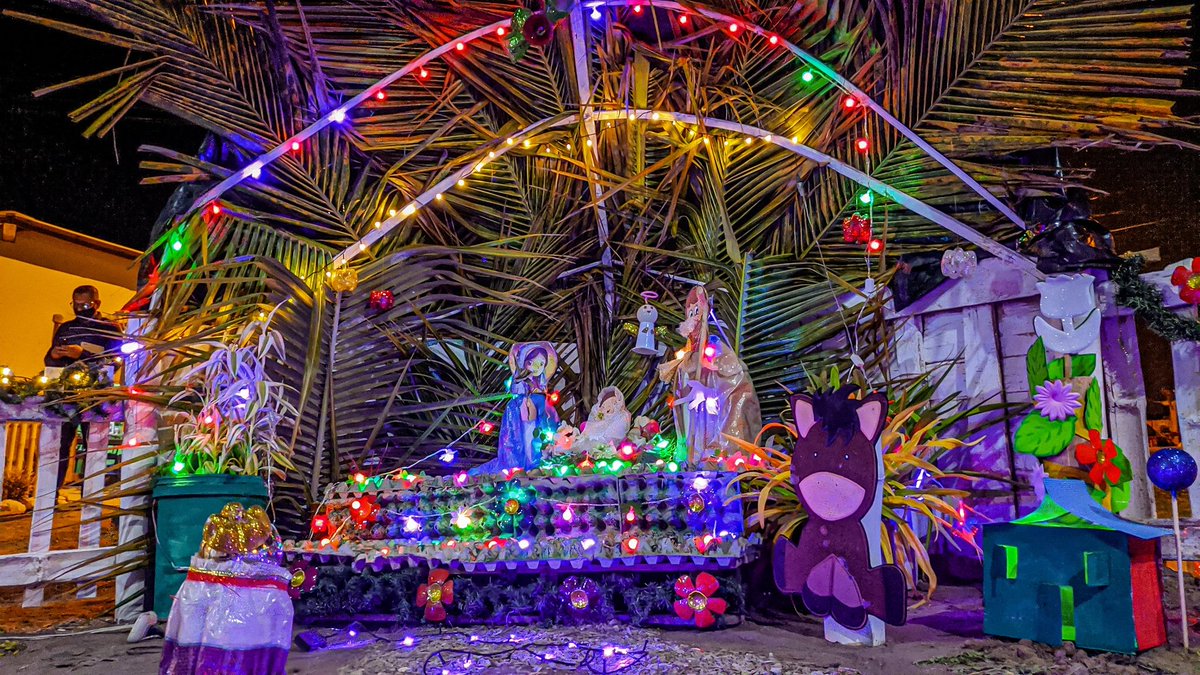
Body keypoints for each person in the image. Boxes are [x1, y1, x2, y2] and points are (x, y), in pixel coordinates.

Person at [45, 285, 121, 489]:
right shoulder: (66, 328)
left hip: (94, 396)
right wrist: (54, 355)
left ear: (97, 304)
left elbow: (115, 361)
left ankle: (90, 495)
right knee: (59, 446)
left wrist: (82, 355)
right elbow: (48, 359)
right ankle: (50, 494)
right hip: (65, 394)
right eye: (75, 305)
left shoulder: (109, 328)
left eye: (85, 304)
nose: (80, 309)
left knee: (93, 446)